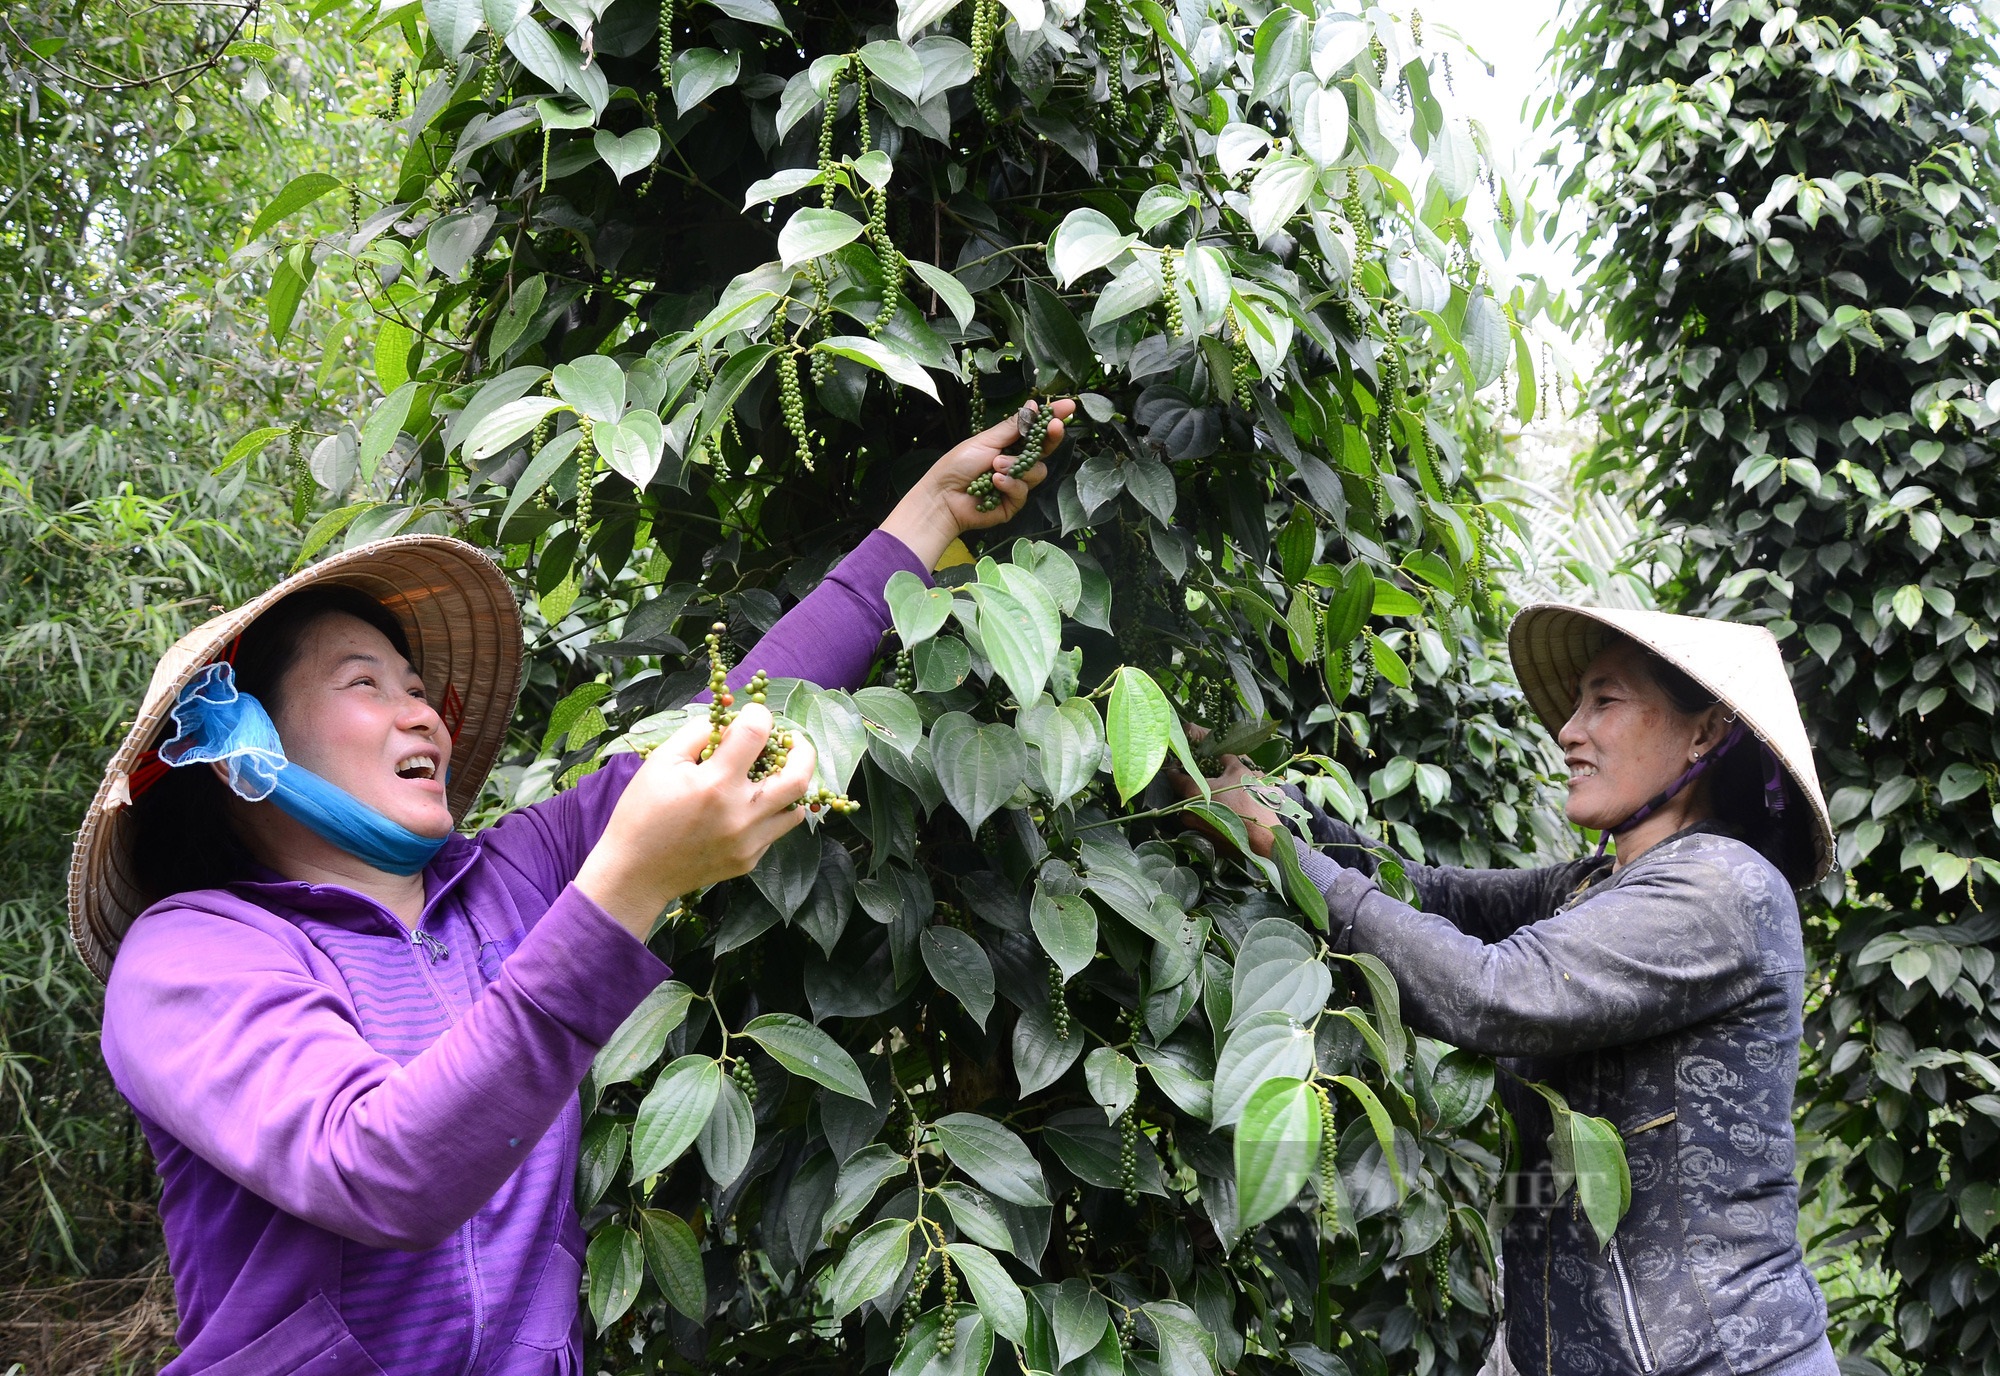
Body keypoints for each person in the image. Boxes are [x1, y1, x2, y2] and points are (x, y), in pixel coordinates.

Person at [67, 402, 1071, 1376]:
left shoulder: (502, 880)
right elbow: (380, 1167)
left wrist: (926, 516)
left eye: (420, 688)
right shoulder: (188, 955)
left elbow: (726, 721)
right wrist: (623, 889)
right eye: (363, 683)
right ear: (242, 748)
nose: (418, 710)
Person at [1187, 604, 1839, 1376]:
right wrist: (1262, 802)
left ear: (1705, 732)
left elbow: (1491, 991)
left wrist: (1277, 844)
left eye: (1605, 700)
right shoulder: (1601, 884)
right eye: (1576, 704)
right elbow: (1433, 895)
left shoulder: (1723, 887)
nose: (1568, 730)